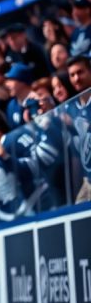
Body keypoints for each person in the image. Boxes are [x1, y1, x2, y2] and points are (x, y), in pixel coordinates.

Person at [64, 55, 91, 202]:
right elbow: (75, 154)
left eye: (80, 72)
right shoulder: (69, 108)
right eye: (72, 75)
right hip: (87, 181)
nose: (76, 78)